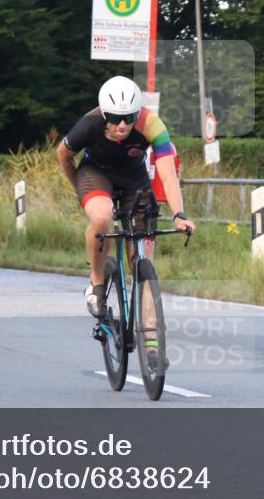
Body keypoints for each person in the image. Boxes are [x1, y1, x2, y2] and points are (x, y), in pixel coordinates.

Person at [57, 76, 195, 320]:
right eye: (115, 118)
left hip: (134, 178)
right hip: (96, 173)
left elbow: (167, 173)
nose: (122, 125)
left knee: (142, 260)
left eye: (129, 118)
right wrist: (78, 187)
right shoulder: (90, 123)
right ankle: (97, 283)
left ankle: (150, 340)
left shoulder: (152, 123)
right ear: (104, 114)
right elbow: (63, 155)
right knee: (101, 217)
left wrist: (178, 214)